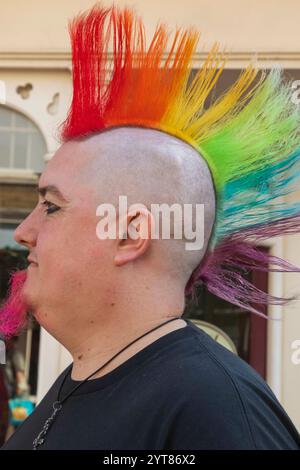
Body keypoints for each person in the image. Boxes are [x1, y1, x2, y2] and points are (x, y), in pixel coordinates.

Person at [1, 3, 300, 450]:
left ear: (129, 235)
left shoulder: (213, 409)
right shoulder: (89, 377)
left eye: (51, 205)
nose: (23, 231)